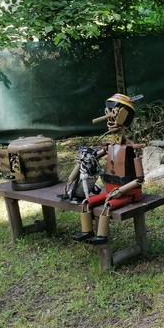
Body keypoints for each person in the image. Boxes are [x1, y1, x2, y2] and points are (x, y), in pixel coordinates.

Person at [70, 93, 145, 245]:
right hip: (110, 190)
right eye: (108, 114)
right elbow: (90, 158)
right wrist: (82, 163)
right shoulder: (110, 146)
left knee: (107, 206)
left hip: (127, 192)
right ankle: (87, 231)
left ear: (124, 116)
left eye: (114, 114)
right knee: (86, 202)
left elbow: (139, 179)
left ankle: (102, 236)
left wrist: (121, 191)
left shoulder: (131, 149)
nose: (110, 120)